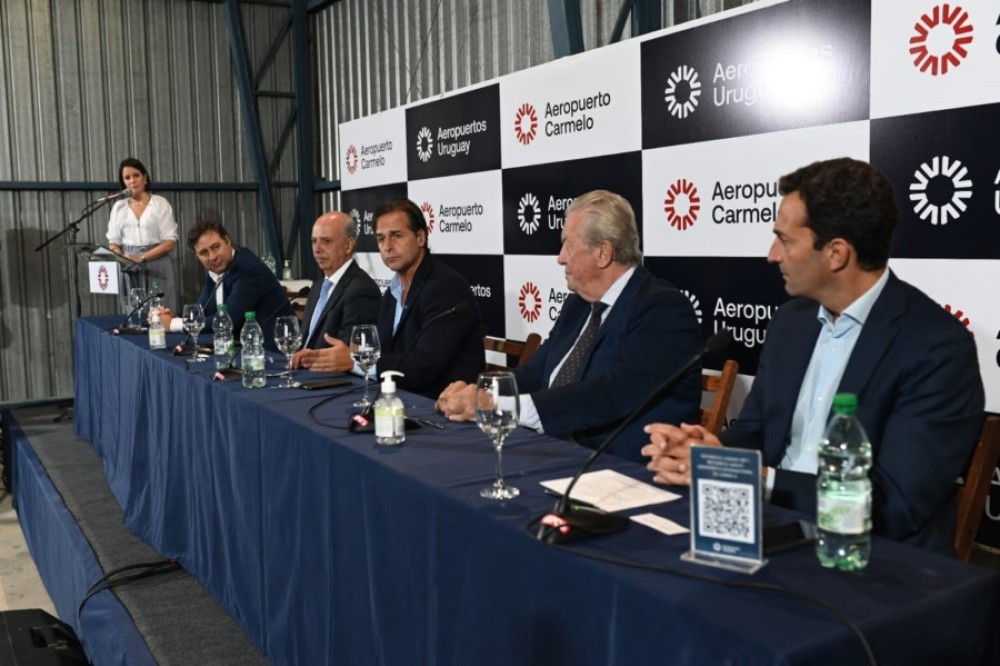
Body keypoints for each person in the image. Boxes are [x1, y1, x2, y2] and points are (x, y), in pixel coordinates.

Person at [641, 157, 984, 554]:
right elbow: (755, 431)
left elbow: (894, 505)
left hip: (869, 557)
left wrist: (759, 480)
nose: (772, 255)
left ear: (836, 253)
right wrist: (705, 448)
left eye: (785, 240)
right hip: (767, 525)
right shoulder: (792, 322)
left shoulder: (936, 347)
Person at [436, 190, 702, 463]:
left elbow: (608, 394)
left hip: (620, 471)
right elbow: (534, 375)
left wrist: (498, 407)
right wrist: (476, 393)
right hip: (551, 454)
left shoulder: (664, 310)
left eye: (567, 245)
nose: (560, 257)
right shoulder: (577, 306)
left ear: (603, 252)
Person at [294, 199, 483, 399]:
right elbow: (383, 349)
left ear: (420, 238)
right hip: (398, 399)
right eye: (381, 239)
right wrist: (349, 355)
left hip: (442, 407)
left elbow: (426, 365)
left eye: (397, 236)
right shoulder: (394, 290)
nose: (387, 247)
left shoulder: (445, 286)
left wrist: (355, 361)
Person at [156, 218, 294, 350]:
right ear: (197, 257)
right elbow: (203, 311)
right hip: (241, 348)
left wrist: (174, 324)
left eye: (216, 247)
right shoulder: (215, 268)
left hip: (273, 352)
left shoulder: (248, 269)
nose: (212, 257)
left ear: (227, 241)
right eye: (204, 253)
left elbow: (229, 321)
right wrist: (172, 317)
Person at [290, 212, 380, 367]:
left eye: (326, 241)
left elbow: (343, 354)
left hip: (330, 380)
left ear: (349, 245)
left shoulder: (361, 290)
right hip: (303, 373)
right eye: (313, 241)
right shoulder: (318, 286)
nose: (317, 249)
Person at [106, 157, 179, 311]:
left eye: (136, 175)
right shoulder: (118, 207)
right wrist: (121, 257)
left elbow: (170, 242)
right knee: (133, 313)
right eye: (127, 177)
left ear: (144, 177)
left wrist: (142, 257)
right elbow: (114, 242)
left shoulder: (160, 203)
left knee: (160, 312)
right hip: (129, 265)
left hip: (157, 263)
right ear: (123, 183)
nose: (132, 181)